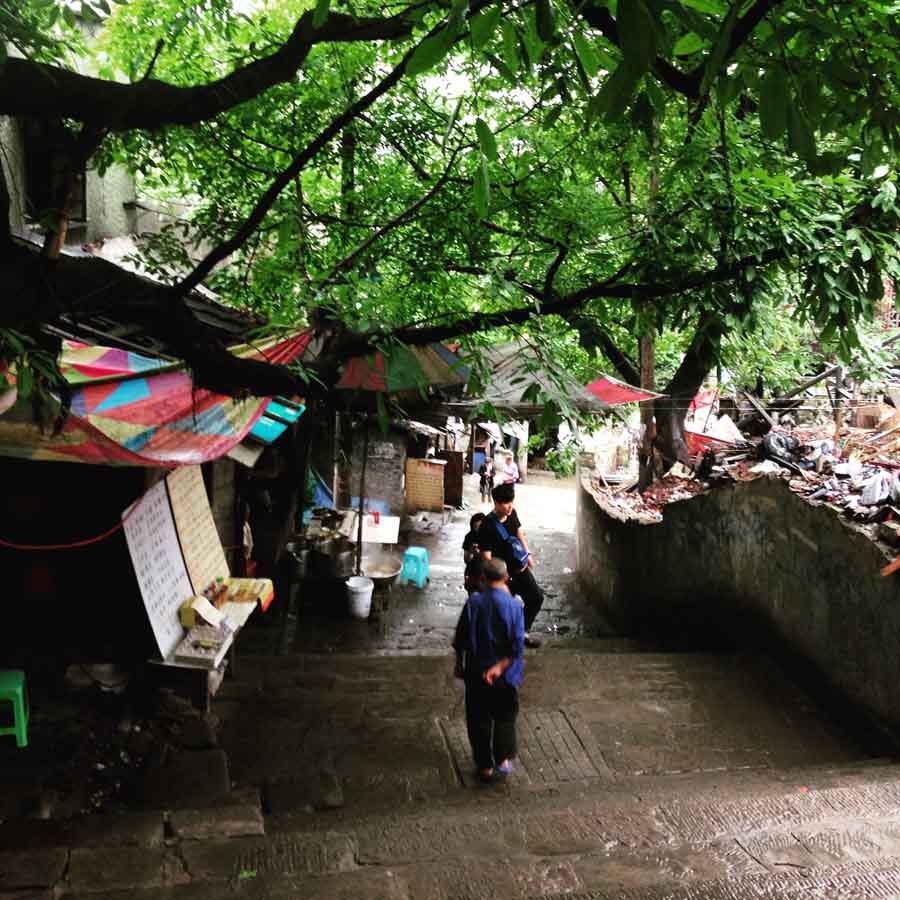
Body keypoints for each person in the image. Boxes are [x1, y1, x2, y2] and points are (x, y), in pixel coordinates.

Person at [452, 558, 524, 783]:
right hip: (506, 676)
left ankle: (484, 766)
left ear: (482, 579)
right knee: (505, 716)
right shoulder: (514, 606)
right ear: (506, 578)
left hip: (476, 672)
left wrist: (459, 664)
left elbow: (461, 638)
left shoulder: (473, 603)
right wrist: (499, 667)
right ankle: (502, 760)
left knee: (478, 718)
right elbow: (516, 646)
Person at [478, 482, 544, 648]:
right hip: (503, 576)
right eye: (506, 503)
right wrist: (499, 581)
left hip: (519, 569)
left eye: (512, 502)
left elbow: (518, 531)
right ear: (496, 503)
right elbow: (487, 557)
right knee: (501, 610)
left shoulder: (512, 513)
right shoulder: (487, 525)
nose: (510, 507)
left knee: (536, 598)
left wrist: (527, 553)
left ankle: (522, 632)